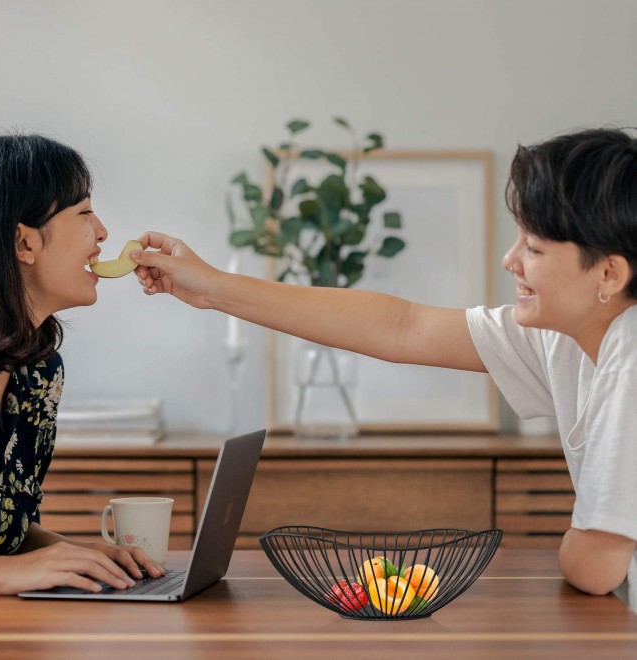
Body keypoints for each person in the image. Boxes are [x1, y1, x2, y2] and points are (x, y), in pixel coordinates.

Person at [131, 127, 637, 611]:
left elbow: (595, 567)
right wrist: (211, 287)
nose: (511, 260)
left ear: (609, 273)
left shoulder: (630, 353)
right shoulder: (564, 338)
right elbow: (403, 326)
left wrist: (580, 539)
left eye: (534, 247)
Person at [0, 133, 165, 594]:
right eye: (83, 213)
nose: (102, 232)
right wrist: (5, 573)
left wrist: (73, 553)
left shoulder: (38, 374)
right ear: (24, 242)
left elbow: (1, 530)